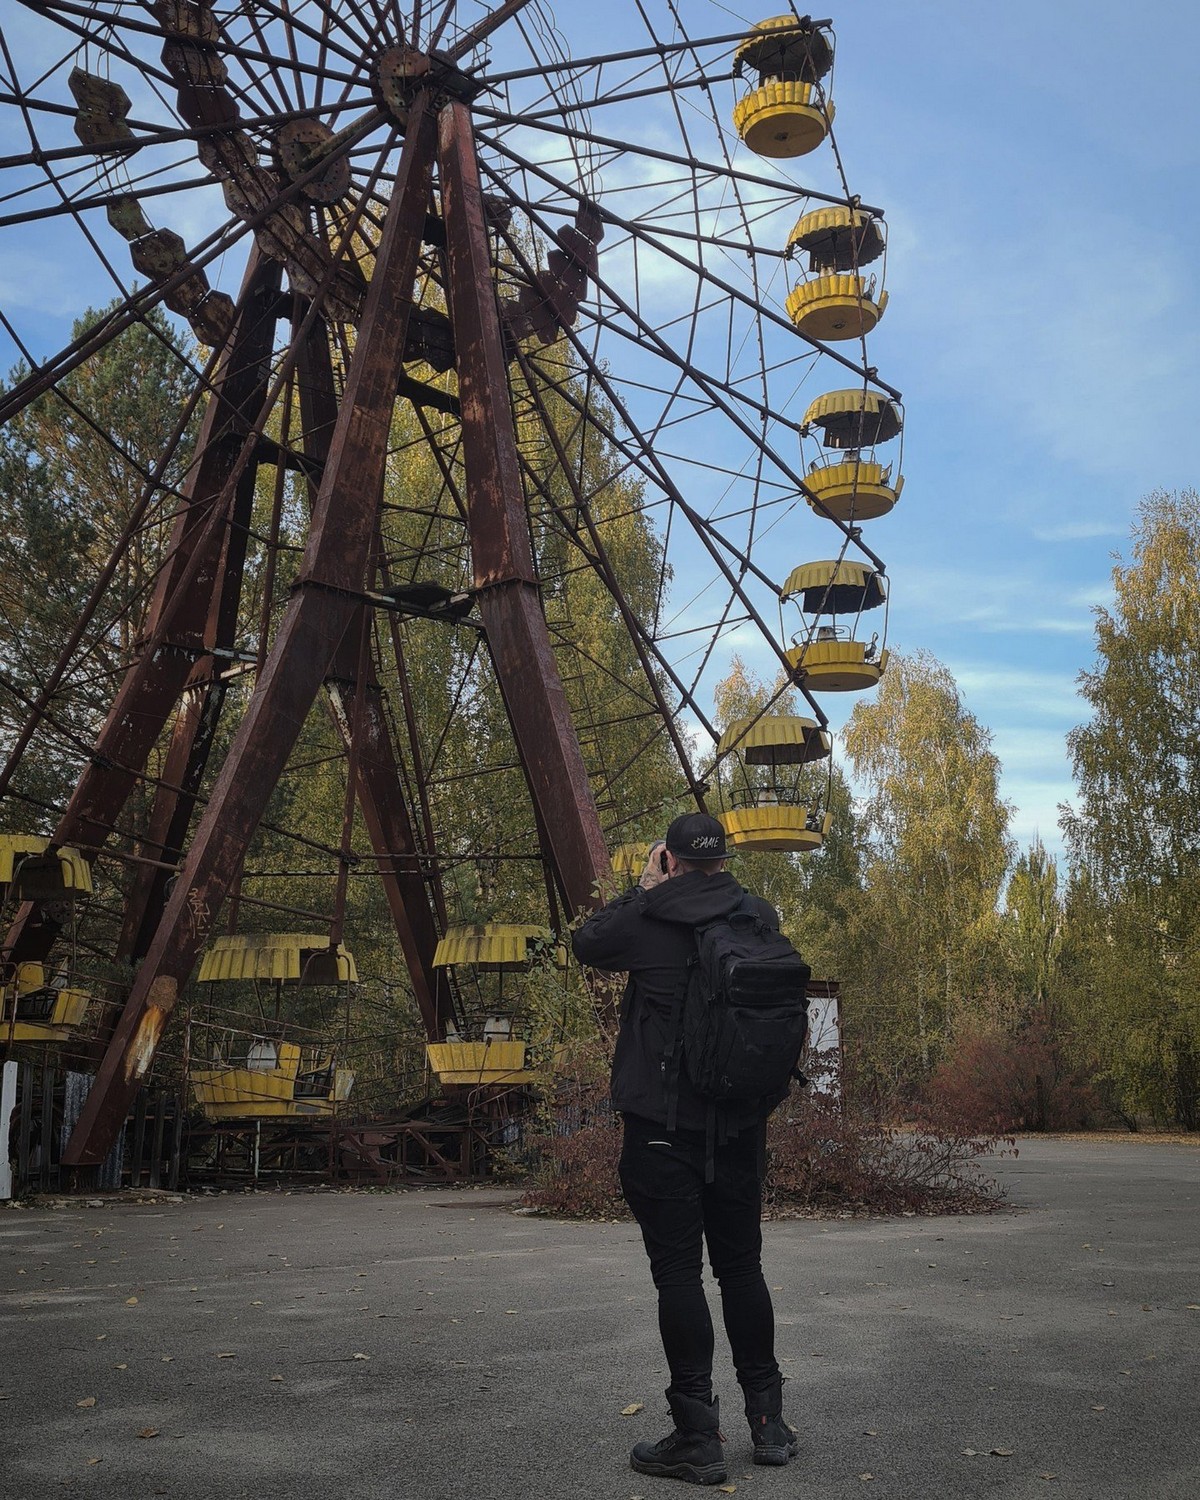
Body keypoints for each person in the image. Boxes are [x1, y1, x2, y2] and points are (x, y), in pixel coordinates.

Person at [572, 811, 798, 1486]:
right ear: (724, 860)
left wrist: (644, 888)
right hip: (740, 1125)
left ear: (668, 859)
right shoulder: (757, 914)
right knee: (742, 1269)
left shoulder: (649, 916)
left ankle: (698, 1435)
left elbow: (586, 942)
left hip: (663, 1130)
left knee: (679, 1275)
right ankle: (769, 1424)